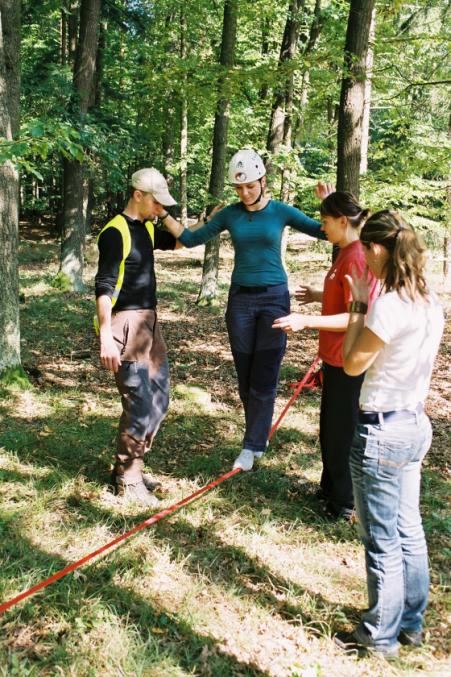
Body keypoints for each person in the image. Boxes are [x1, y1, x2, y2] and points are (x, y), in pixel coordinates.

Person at [157, 149, 328, 471]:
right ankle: (257, 437)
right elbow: (192, 239)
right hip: (240, 301)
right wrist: (163, 213)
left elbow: (323, 231)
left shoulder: (280, 211)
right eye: (239, 188)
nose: (245, 193)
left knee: (264, 375)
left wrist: (328, 203)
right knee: (245, 376)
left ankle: (251, 446)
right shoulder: (231, 214)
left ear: (263, 181)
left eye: (250, 186)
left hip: (274, 298)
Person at [335, 210, 444, 656]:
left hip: (382, 431)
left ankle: (379, 636)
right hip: (415, 424)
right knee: (409, 529)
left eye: (367, 255)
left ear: (379, 250)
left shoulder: (389, 306)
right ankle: (411, 624)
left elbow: (351, 363)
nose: (365, 264)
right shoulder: (428, 299)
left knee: (382, 540)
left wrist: (358, 305)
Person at [272, 192, 379, 520]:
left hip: (348, 362)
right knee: (331, 430)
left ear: (343, 221)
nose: (322, 226)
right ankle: (329, 490)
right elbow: (344, 298)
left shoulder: (357, 257)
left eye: (326, 221)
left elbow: (355, 316)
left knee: (341, 434)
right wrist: (320, 295)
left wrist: (306, 321)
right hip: (333, 359)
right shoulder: (345, 253)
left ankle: (343, 503)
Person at [95, 168, 180, 507]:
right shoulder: (115, 232)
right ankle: (128, 480)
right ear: (138, 195)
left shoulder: (145, 226)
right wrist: (105, 337)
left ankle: (131, 464)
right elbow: (103, 288)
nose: (159, 208)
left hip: (150, 325)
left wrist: (164, 213)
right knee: (139, 403)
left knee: (159, 398)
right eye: (155, 200)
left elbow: (179, 240)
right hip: (124, 326)